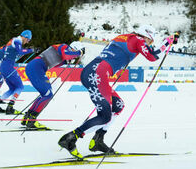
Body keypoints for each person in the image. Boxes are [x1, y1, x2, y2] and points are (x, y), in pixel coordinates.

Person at [58, 25, 180, 159]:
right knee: (105, 116)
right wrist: (167, 42)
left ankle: (98, 140)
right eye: (149, 41)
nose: (148, 44)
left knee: (117, 106)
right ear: (145, 36)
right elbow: (152, 56)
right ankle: (71, 138)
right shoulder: (139, 40)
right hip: (98, 73)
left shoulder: (125, 37)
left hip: (95, 71)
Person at [21, 42, 84, 129]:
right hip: (36, 67)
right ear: (74, 48)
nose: (75, 56)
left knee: (45, 94)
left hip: (37, 67)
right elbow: (66, 54)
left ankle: (28, 117)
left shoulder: (63, 52)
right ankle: (32, 119)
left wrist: (67, 61)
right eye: (75, 52)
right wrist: (78, 53)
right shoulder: (64, 46)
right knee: (48, 95)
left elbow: (56, 63)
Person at [0, 30, 34, 115]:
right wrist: (31, 50)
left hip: (5, 66)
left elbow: (16, 53)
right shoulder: (17, 40)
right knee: (20, 87)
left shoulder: (14, 41)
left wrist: (27, 51)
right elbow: (20, 51)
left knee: (12, 88)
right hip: (8, 67)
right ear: (25, 37)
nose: (27, 42)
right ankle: (10, 107)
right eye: (28, 40)